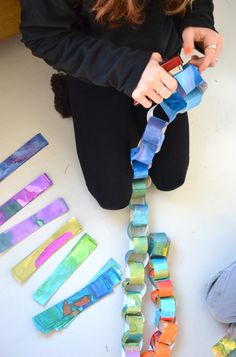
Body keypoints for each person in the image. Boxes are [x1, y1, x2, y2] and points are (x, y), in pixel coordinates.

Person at [20, 0, 223, 210]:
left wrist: (198, 20)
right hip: (96, 68)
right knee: (113, 195)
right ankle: (71, 88)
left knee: (171, 177)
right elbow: (42, 36)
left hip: (160, 65)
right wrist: (129, 70)